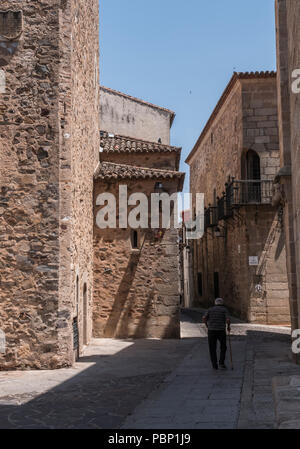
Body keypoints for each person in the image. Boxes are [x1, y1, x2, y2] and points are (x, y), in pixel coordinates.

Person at [203, 298, 231, 370]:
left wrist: (207, 326)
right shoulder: (224, 309)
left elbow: (204, 318)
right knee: (223, 347)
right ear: (222, 303)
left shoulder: (210, 309)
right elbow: (227, 319)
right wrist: (228, 326)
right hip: (221, 331)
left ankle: (214, 365)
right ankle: (221, 362)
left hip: (211, 331)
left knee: (212, 348)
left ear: (215, 303)